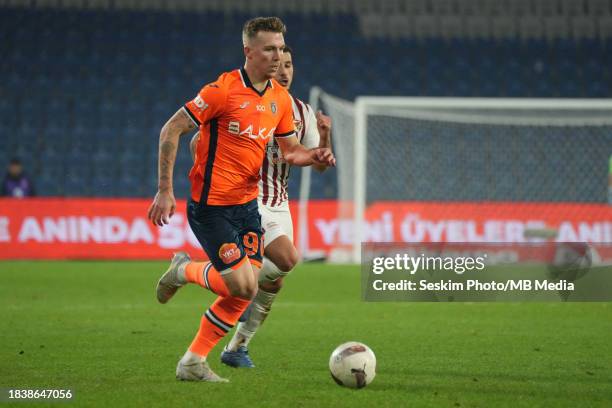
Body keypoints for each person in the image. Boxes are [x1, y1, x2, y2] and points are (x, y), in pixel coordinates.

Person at [148, 17, 335, 383]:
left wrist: (316, 155)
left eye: (282, 49)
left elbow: (292, 150)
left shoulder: (279, 100)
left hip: (249, 206)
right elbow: (172, 128)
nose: (277, 57)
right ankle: (183, 270)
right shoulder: (223, 90)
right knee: (244, 286)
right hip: (212, 207)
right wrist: (164, 189)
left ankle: (193, 362)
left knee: (243, 291)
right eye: (269, 49)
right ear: (248, 52)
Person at [213, 45, 332, 368]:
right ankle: (214, 276)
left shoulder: (303, 111)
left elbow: (316, 164)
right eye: (278, 64)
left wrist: (324, 141)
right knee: (288, 257)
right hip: (249, 198)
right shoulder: (246, 102)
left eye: (289, 65)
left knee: (275, 279)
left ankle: (238, 347)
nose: (284, 71)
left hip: (280, 203)